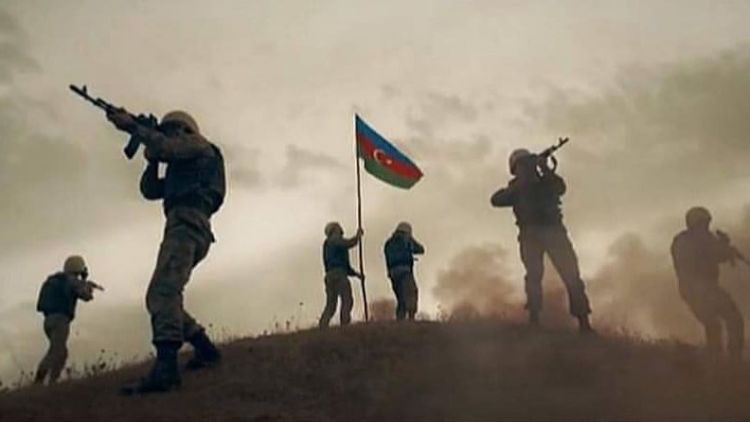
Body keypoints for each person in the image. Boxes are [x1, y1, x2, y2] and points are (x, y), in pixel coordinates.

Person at [107, 109, 226, 394]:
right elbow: (150, 190)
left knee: (162, 293)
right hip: (184, 225)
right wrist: (151, 160)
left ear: (185, 130)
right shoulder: (183, 161)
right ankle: (204, 349)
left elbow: (168, 148)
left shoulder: (199, 145)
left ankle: (167, 370)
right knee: (164, 295)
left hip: (188, 224)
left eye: (171, 130)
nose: (167, 135)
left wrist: (136, 129)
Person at [490, 148, 592, 332]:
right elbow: (495, 200)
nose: (526, 168)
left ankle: (583, 322)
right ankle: (534, 320)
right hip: (531, 235)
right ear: (515, 169)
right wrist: (522, 184)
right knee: (534, 277)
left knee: (571, 276)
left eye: (528, 164)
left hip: (554, 232)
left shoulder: (546, 182)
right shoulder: (517, 188)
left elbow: (560, 188)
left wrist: (545, 169)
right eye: (522, 165)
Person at [671, 206, 744, 362]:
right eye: (703, 224)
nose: (706, 227)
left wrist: (726, 249)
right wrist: (723, 248)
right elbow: (704, 256)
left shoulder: (702, 239)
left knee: (732, 319)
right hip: (695, 289)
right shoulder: (684, 241)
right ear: (694, 224)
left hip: (706, 288)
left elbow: (717, 255)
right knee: (715, 324)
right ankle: (718, 360)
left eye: (707, 224)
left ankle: (731, 358)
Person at [34, 255, 100, 385]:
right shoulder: (72, 281)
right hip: (61, 320)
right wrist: (87, 286)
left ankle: (53, 382)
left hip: (48, 321)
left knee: (62, 352)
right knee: (56, 350)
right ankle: (40, 379)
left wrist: (84, 283)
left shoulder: (55, 280)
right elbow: (86, 296)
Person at [319, 222, 364, 328]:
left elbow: (345, 266)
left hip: (330, 276)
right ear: (334, 230)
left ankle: (322, 326)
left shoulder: (329, 244)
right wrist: (357, 237)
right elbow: (348, 244)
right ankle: (345, 325)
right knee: (347, 299)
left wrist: (356, 274)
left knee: (331, 305)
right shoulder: (334, 240)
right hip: (338, 275)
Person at [384, 222, 424, 321]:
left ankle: (400, 320)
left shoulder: (388, 243)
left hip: (393, 274)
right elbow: (421, 249)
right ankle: (411, 318)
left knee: (401, 298)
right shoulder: (406, 240)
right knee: (411, 293)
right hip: (405, 271)